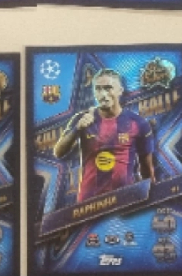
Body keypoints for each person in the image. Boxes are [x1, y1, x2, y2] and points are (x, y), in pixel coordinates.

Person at [52, 69, 155, 201]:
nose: (103, 94)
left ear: (120, 90)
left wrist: (153, 197)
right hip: (89, 202)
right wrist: (77, 129)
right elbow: (58, 152)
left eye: (108, 88)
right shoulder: (81, 119)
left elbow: (146, 168)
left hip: (125, 200)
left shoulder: (138, 123)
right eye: (98, 89)